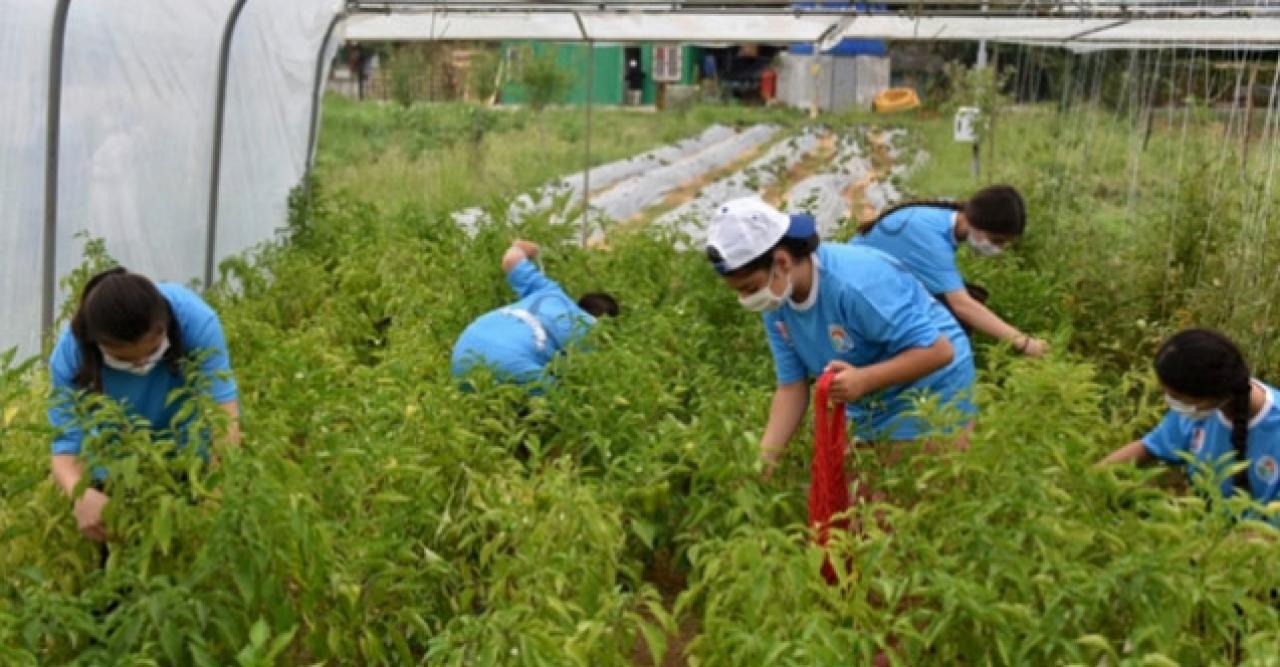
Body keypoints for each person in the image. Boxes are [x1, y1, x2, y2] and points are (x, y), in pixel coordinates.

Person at [704, 197, 976, 480]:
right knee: (860, 508)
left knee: (910, 499)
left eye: (750, 288)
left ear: (782, 262)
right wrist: (763, 466)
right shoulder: (777, 301)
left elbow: (939, 350)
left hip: (932, 386)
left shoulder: (855, 285)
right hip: (868, 396)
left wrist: (865, 379)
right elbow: (791, 388)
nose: (746, 300)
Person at [48, 267, 240, 544]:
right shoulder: (71, 354)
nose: (141, 365)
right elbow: (65, 447)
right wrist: (81, 494)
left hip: (187, 453)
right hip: (116, 464)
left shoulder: (195, 320)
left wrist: (215, 495)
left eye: (151, 353)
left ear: (163, 329)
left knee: (197, 545)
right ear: (98, 343)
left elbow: (224, 417)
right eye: (124, 359)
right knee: (121, 555)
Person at [850, 185, 1049, 357]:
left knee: (971, 297)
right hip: (853, 293)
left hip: (877, 284)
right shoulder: (930, 238)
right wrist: (1023, 343)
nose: (998, 249)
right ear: (979, 225)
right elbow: (964, 306)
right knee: (954, 317)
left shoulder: (945, 220)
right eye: (997, 241)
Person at [1100, 329, 1280, 513]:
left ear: (1213, 394)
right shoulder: (1198, 410)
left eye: (1176, 396)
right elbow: (1149, 447)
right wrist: (1089, 479)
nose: (1169, 402)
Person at [451, 239, 619, 390]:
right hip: (510, 361)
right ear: (604, 322)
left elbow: (511, 260)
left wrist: (524, 247)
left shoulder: (549, 291)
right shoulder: (589, 331)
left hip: (464, 350)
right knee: (564, 407)